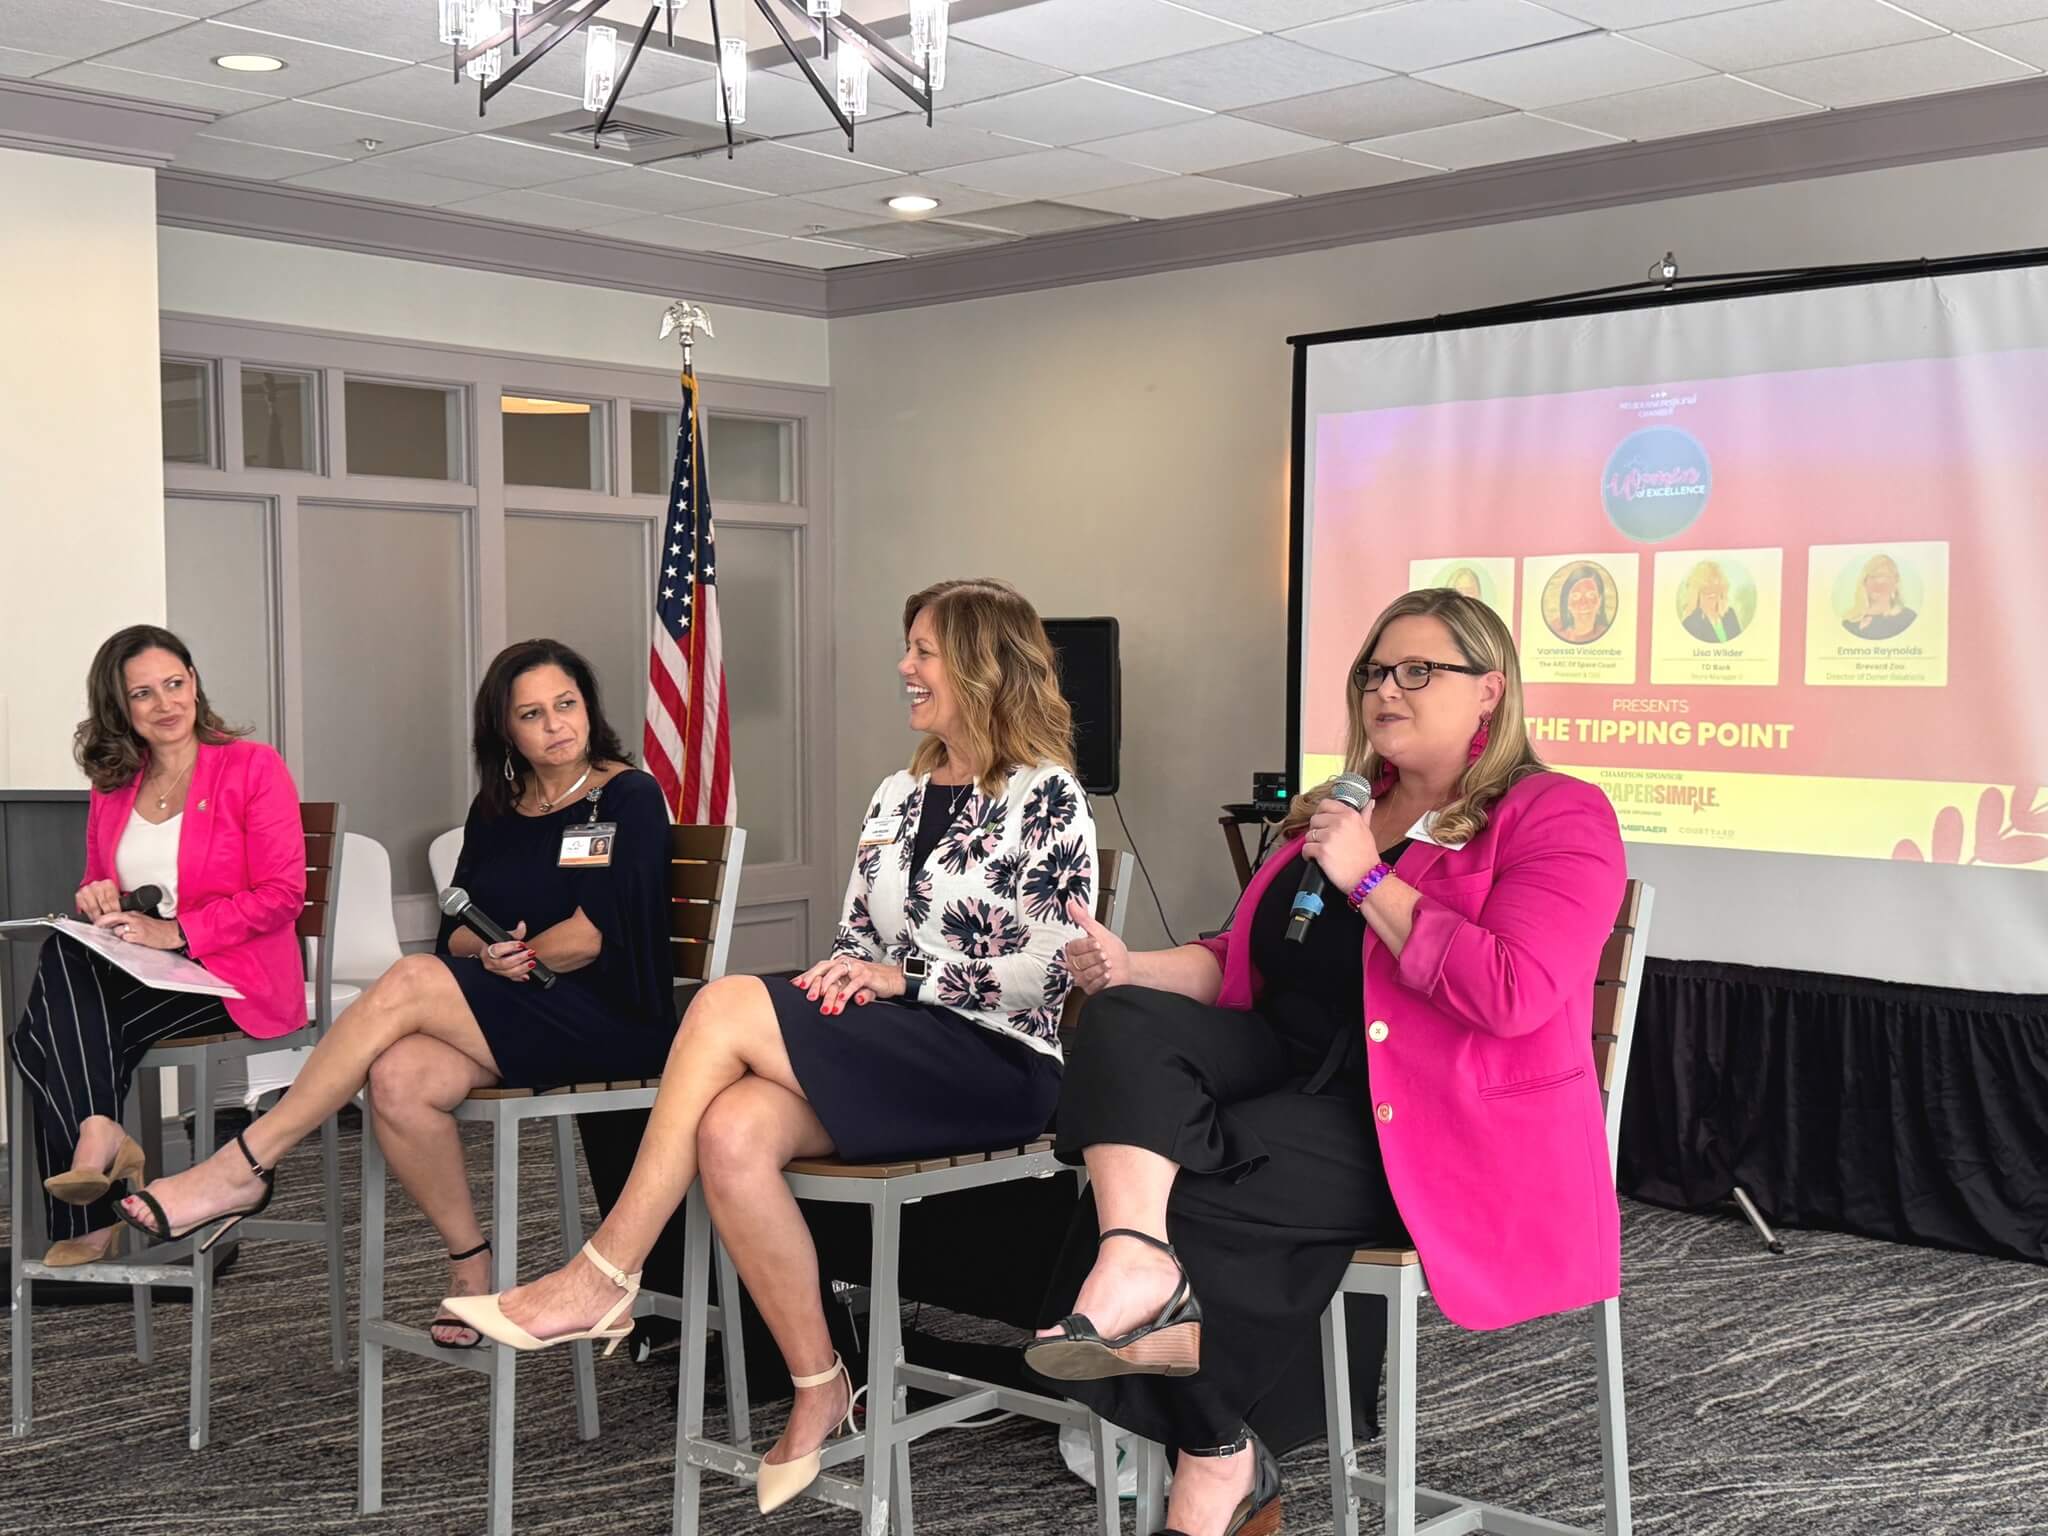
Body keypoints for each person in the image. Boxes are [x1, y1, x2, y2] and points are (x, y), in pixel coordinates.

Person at [442, 578, 1097, 1516]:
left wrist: (905, 981)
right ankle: (822, 1380)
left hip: (996, 1058)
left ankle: (606, 1272)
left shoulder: (1050, 797)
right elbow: (856, 940)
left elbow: (1052, 972)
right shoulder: (900, 790)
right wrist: (845, 975)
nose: (904, 668)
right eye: (907, 647)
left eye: (923, 651)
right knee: (734, 1132)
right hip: (896, 1039)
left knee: (722, 1005)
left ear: (985, 667)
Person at [1026, 589, 1626, 1536]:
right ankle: (1139, 1269)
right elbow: (1242, 955)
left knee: (1201, 1174)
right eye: (1375, 672)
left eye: (1418, 671)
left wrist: (1369, 878)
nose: (1387, 689)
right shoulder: (1348, 806)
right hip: (1289, 1069)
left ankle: (1213, 1455)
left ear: (1490, 693)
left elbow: (1513, 988)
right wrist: (1133, 966)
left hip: (1435, 1123)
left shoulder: (1555, 814)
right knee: (1123, 1022)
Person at [120, 639, 674, 1350]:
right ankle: (472, 1266)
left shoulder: (626, 795)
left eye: (566, 705)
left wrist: (524, 954)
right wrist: (493, 950)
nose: (555, 725)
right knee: (399, 1075)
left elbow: (594, 937)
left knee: (410, 980)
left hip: (610, 1017)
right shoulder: (499, 806)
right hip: (517, 1007)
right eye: (532, 714)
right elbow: (458, 932)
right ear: (506, 731)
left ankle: (243, 1165)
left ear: (589, 708)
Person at [9, 626, 304, 1266]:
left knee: (44, 1031)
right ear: (122, 708)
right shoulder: (116, 783)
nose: (166, 703)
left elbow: (283, 894)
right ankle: (98, 1136)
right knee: (67, 951)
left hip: (232, 976)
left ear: (195, 683)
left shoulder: (252, 766)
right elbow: (98, 878)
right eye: (144, 694)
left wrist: (178, 932)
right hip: (146, 970)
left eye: (175, 684)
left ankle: (89, 1201)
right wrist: (97, 897)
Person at [1842, 553, 1917, 640]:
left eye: (1885, 576)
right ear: (1864, 582)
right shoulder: (1849, 623)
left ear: (1895, 582)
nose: (1878, 582)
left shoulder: (1908, 618)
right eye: (1874, 576)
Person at [1682, 561, 1743, 644]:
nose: (1712, 594)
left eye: (1715, 587)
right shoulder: (1690, 624)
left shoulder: (1730, 615)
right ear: (1696, 593)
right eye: (1706, 589)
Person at [1553, 564, 1612, 645]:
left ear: (1599, 601)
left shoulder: (1608, 636)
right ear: (1567, 602)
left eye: (1591, 595)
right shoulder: (1556, 628)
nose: (1583, 603)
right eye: (1576, 596)